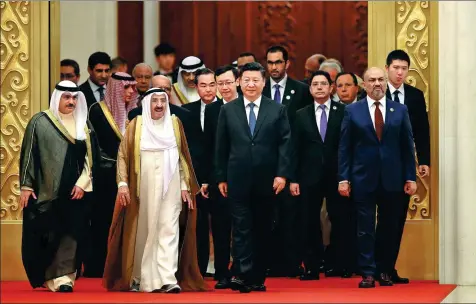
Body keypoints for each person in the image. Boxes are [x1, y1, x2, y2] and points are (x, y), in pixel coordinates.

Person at [102, 89, 207, 293]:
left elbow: (182, 157)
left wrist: (185, 185)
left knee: (169, 228)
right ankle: (140, 277)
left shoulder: (175, 123)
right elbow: (123, 155)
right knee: (144, 230)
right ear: (147, 103)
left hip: (172, 186)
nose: (159, 105)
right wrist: (122, 183)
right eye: (155, 101)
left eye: (163, 101)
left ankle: (167, 278)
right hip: (142, 187)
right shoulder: (136, 125)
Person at [215, 62, 292, 292]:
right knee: (240, 227)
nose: (251, 84)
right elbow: (221, 146)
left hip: (267, 180)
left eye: (255, 80)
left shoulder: (277, 109)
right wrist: (221, 177)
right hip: (236, 178)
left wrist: (282, 174)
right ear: (239, 82)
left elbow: (285, 145)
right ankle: (242, 273)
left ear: (263, 82)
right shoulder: (228, 109)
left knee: (261, 227)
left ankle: (257, 277)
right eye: (246, 80)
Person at [338, 67, 417, 288]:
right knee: (365, 227)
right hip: (362, 177)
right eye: (371, 80)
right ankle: (367, 273)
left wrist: (411, 177)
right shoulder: (353, 111)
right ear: (364, 85)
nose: (377, 84)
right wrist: (343, 178)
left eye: (381, 79)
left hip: (393, 178)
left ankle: (384, 270)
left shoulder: (399, 110)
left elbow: (407, 146)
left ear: (386, 82)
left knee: (388, 227)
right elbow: (345, 147)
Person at [20, 81, 100, 292]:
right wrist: (26, 186)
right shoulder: (40, 122)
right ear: (58, 98)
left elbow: (91, 159)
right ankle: (50, 277)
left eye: (74, 98)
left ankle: (65, 278)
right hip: (47, 190)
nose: (71, 101)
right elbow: (29, 155)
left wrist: (83, 184)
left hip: (77, 190)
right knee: (48, 234)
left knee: (71, 233)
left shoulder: (84, 123)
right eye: (66, 97)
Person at [263, 45, 313, 277]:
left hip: (292, 163)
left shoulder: (301, 91)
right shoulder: (258, 89)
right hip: (263, 163)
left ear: (287, 64)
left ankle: (291, 263)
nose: (274, 67)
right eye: (270, 63)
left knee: (291, 215)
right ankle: (268, 262)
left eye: (278, 62)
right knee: (265, 215)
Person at [85, 72, 137, 277]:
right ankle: (98, 266)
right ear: (116, 88)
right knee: (103, 222)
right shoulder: (97, 111)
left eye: (132, 87)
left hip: (132, 177)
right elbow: (95, 148)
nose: (131, 91)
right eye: (126, 88)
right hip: (106, 178)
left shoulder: (135, 112)